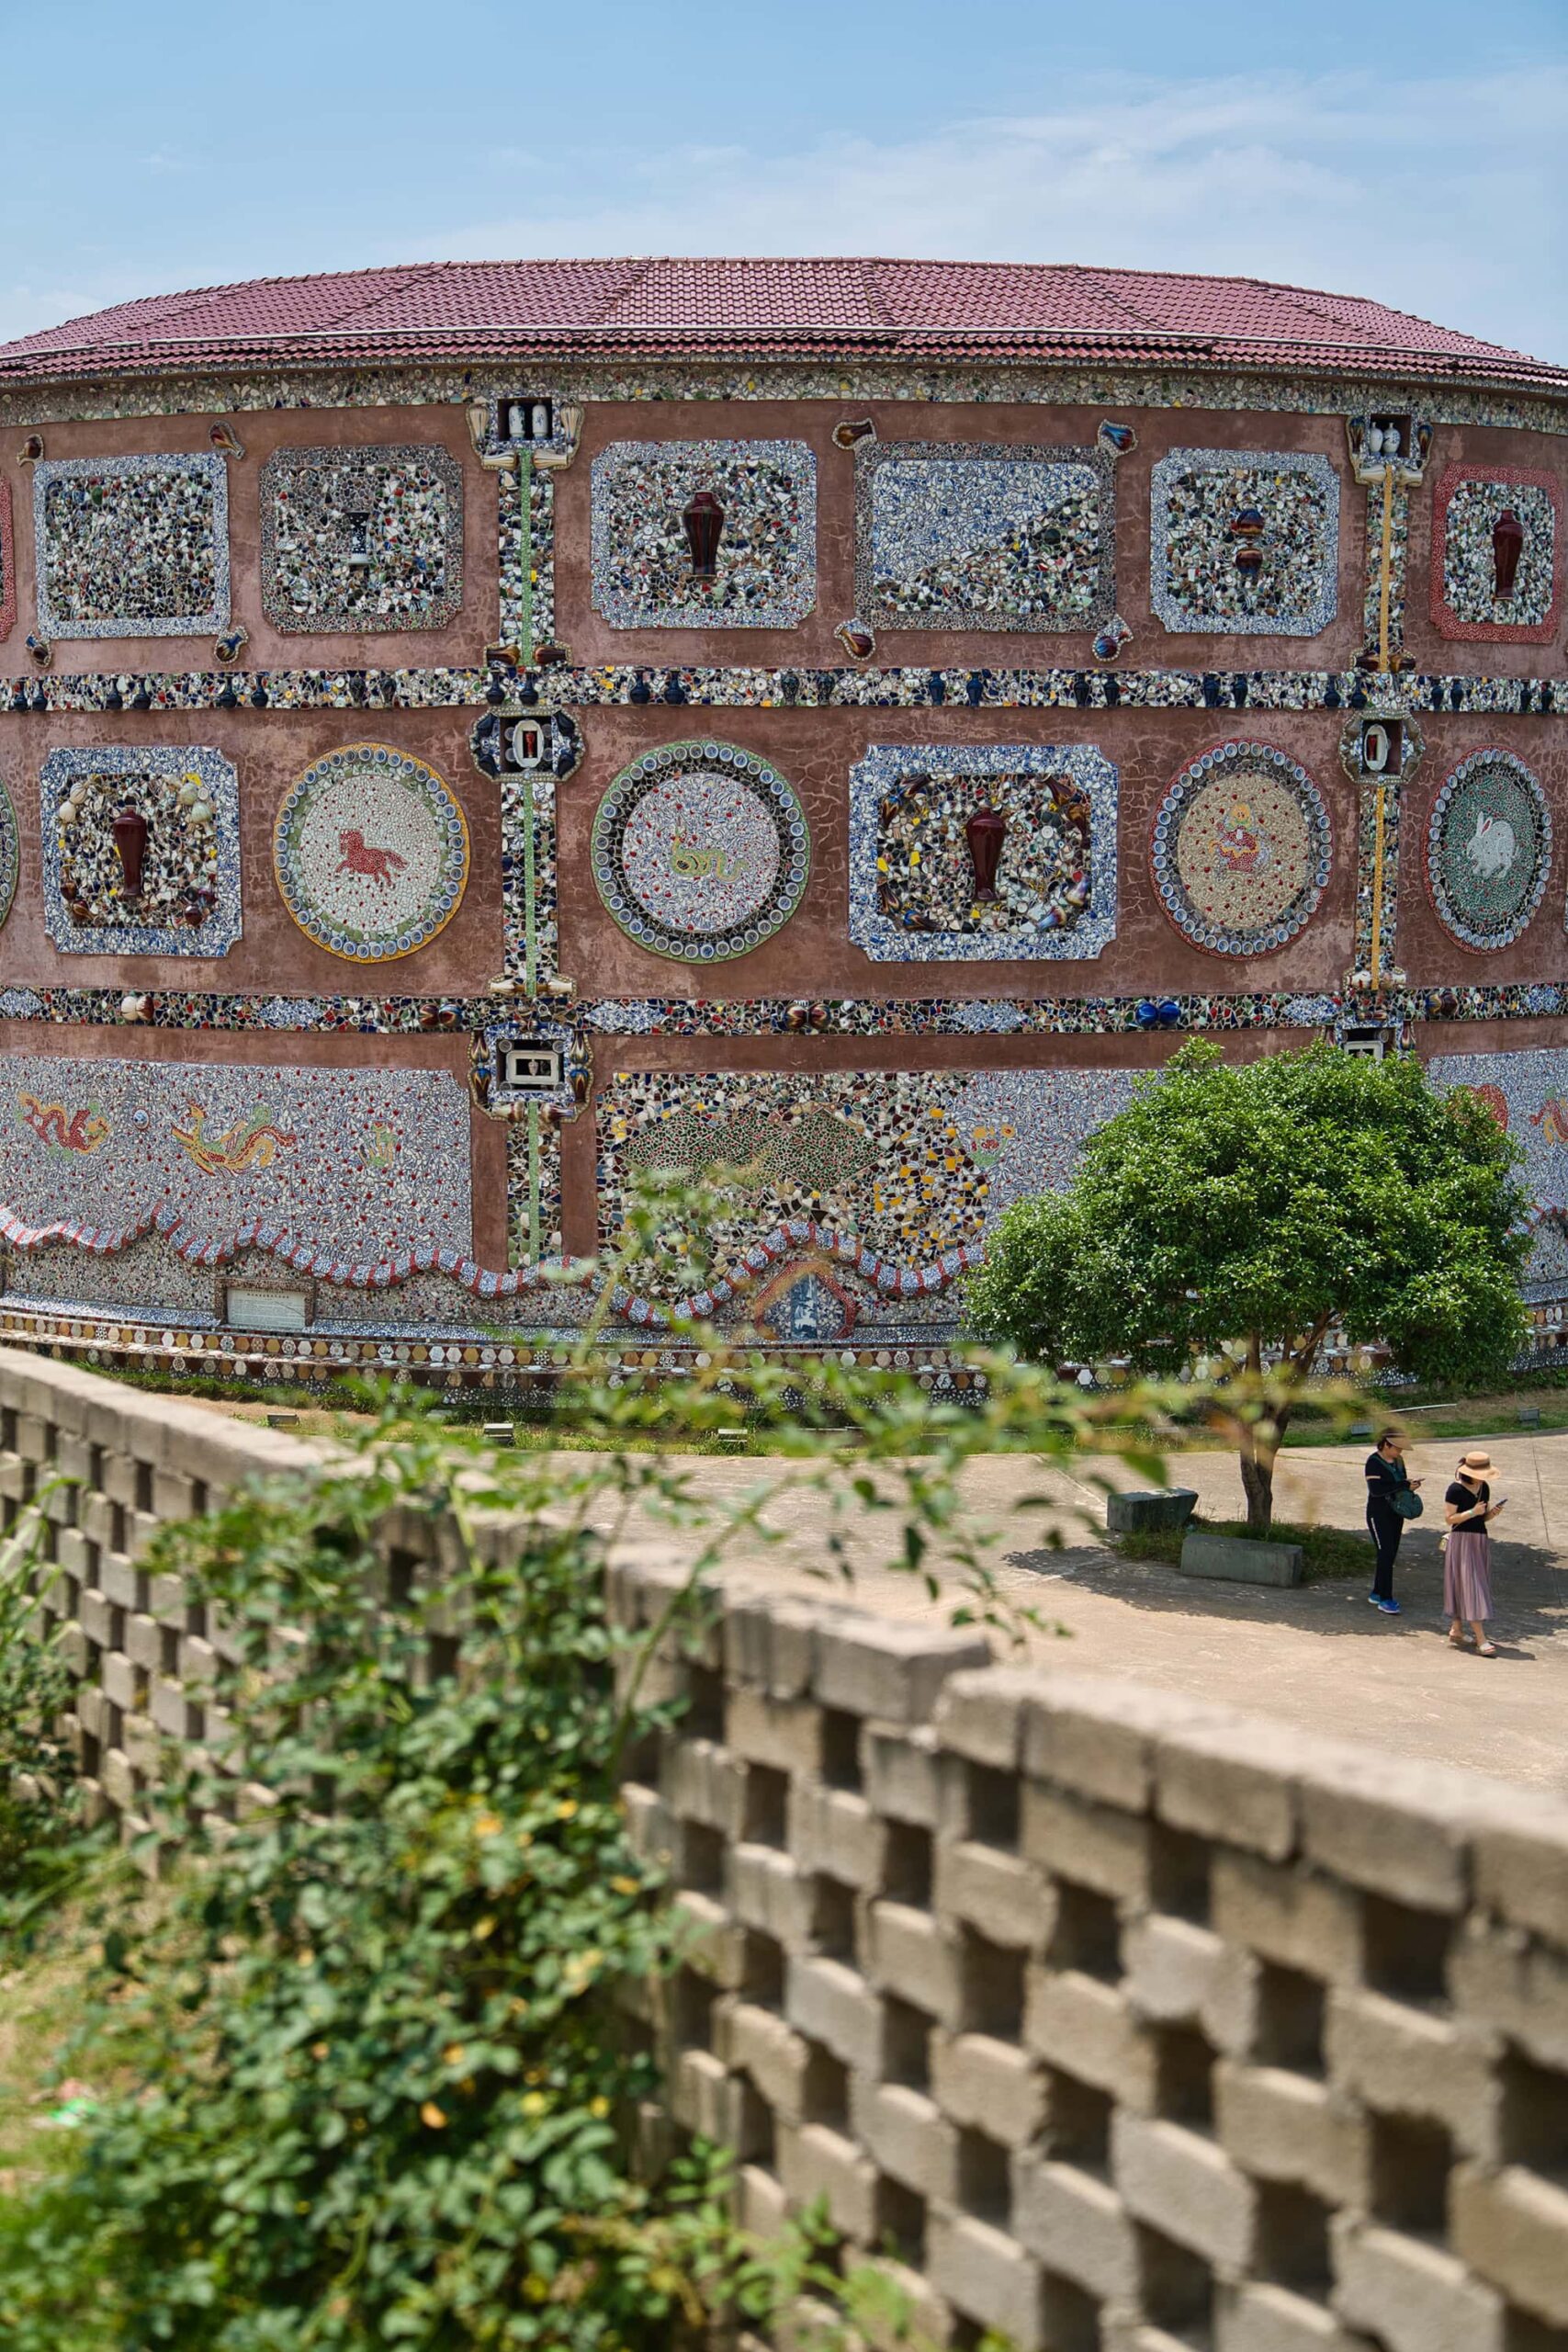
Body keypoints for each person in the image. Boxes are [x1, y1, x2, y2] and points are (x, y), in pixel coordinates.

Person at [1444, 1450, 1506, 1656]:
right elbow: (1450, 1519)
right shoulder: (1454, 1490)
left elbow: (1481, 1518)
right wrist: (1472, 1512)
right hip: (1461, 1540)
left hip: (1479, 1539)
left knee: (1467, 1583)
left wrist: (1490, 1514)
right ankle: (1481, 1638)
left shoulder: (1484, 1488)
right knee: (1473, 1586)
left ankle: (1457, 1629)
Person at [1363, 1430, 1421, 1613]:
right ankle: (1386, 1599)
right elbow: (1376, 1490)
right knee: (1385, 1552)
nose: (1399, 1453)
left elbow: (1401, 1481)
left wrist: (1409, 1485)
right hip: (1377, 1514)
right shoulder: (1373, 1463)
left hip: (1395, 1513)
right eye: (1397, 1449)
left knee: (1390, 1553)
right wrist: (1403, 1485)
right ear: (1386, 1445)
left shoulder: (1399, 1462)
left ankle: (1377, 1592)